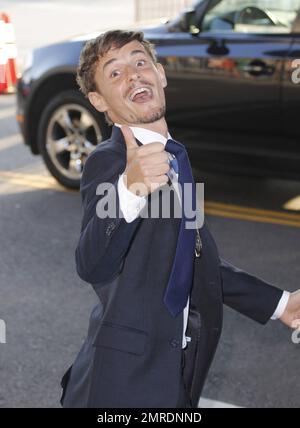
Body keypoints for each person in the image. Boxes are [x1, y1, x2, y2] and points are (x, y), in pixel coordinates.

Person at [60, 30, 300, 408]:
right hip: (124, 384)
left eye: (140, 63)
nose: (134, 75)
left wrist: (279, 304)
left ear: (161, 74)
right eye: (115, 73)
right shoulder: (110, 161)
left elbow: (191, 259)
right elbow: (91, 263)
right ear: (98, 101)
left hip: (176, 372)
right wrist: (129, 190)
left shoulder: (175, 156)